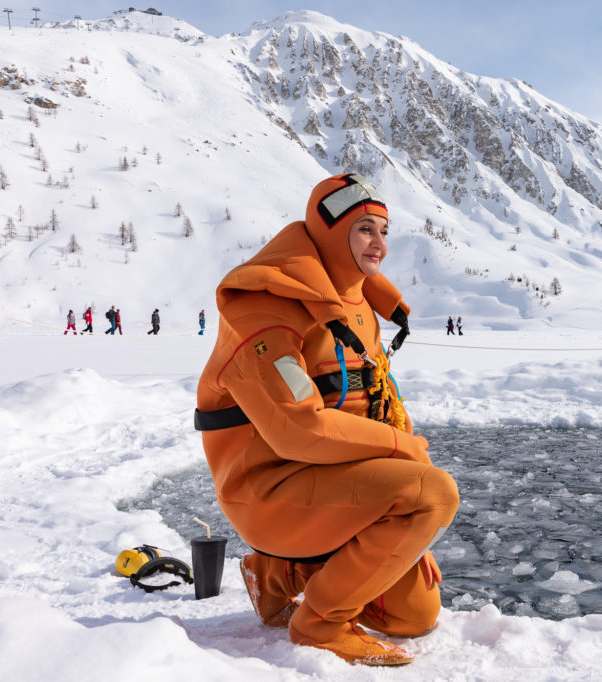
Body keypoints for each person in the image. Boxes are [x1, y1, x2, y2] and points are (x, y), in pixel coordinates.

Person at [194, 174, 458, 666]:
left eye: (383, 229)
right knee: (435, 492)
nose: (378, 242)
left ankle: (277, 574)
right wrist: (407, 466)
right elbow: (298, 428)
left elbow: (376, 401)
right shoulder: (263, 307)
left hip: (332, 476)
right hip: (267, 486)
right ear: (328, 232)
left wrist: (403, 521)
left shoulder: (357, 302)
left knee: (414, 616)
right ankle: (319, 625)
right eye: (363, 229)